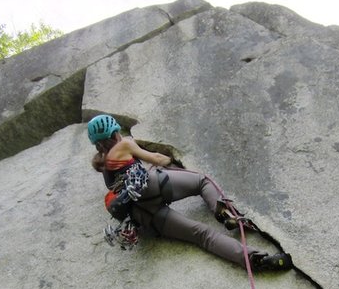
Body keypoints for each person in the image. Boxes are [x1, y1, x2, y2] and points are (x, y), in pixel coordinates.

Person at [88, 114, 292, 271]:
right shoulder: (124, 144)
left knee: (203, 236)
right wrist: (170, 161)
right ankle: (224, 213)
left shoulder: (104, 167)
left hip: (144, 215)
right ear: (115, 132)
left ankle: (259, 260)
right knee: (202, 181)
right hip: (151, 184)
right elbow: (156, 159)